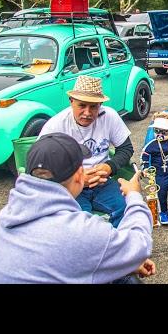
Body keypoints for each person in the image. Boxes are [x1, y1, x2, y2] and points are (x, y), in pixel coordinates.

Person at [0, 133, 156, 284]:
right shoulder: (80, 230)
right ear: (80, 175)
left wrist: (118, 260)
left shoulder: (11, 212)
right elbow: (139, 244)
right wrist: (134, 195)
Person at [38, 75, 134, 228]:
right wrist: (76, 177)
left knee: (128, 209)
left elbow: (126, 148)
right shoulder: (56, 126)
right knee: (81, 221)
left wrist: (110, 167)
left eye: (93, 107)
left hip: (102, 182)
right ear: (71, 101)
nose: (88, 113)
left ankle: (117, 247)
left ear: (100, 104)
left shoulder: (109, 116)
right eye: (82, 105)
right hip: (69, 185)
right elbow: (41, 167)